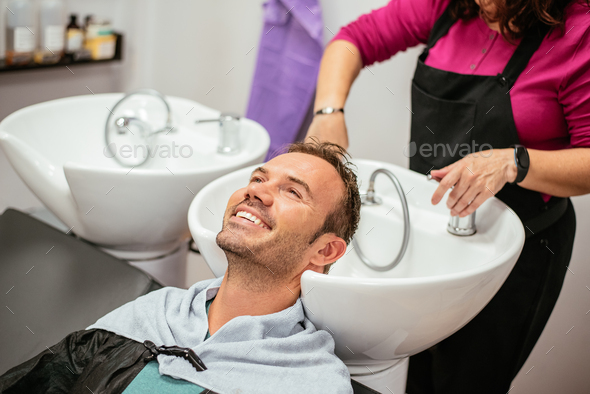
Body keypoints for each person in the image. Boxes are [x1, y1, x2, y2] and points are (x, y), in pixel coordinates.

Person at [306, 0, 590, 392]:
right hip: (433, 232)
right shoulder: (446, 6)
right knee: (421, 376)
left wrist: (514, 162)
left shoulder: (577, 32)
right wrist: (329, 111)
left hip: (518, 251)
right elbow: (353, 40)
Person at [0, 140, 362, 394]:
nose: (257, 192)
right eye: (257, 178)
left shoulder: (310, 380)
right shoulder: (152, 312)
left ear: (326, 250)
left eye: (292, 192)